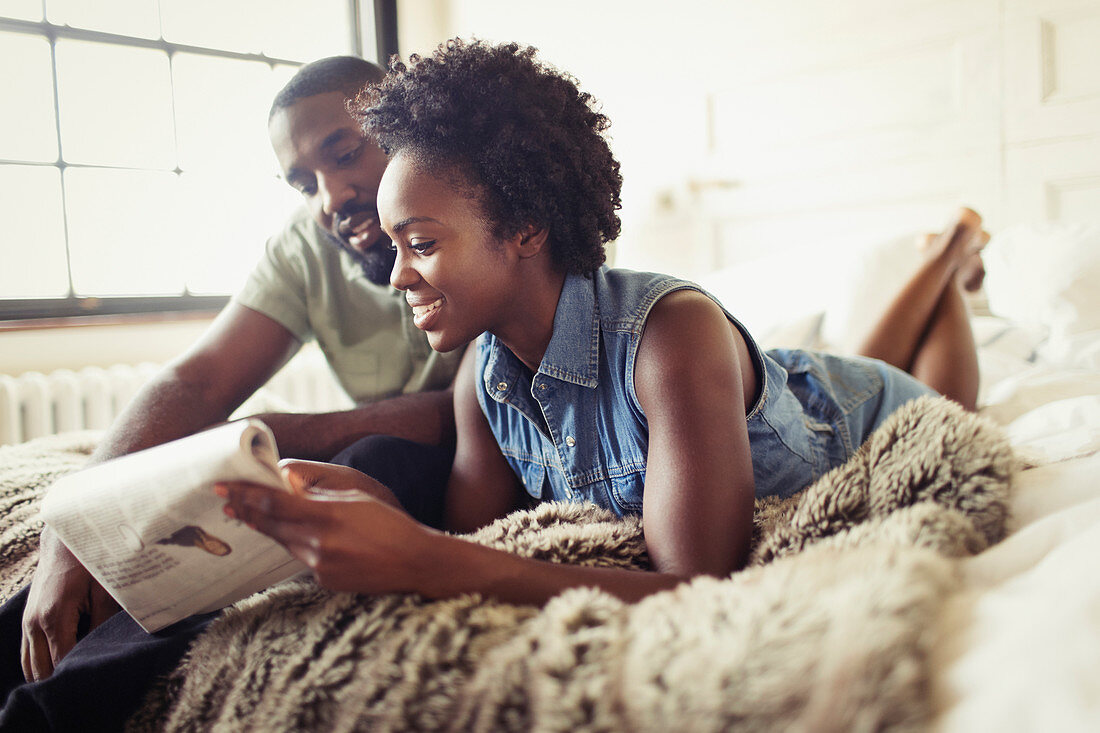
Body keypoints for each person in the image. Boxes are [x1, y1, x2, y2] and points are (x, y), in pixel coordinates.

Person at [216, 39, 986, 608]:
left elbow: (695, 585)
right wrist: (375, 508)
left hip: (866, 411)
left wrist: (425, 560)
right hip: (784, 395)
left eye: (420, 243)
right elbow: (482, 549)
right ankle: (943, 262)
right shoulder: (482, 379)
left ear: (523, 226)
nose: (398, 275)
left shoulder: (672, 333)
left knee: (936, 402)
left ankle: (950, 256)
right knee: (811, 383)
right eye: (393, 248)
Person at [1, 56, 462, 730]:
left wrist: (282, 429)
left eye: (345, 152)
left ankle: (46, 712)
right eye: (305, 182)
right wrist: (71, 531)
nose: (331, 198)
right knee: (196, 479)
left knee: (340, 466)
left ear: (405, 124)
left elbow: (479, 408)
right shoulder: (308, 243)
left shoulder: (476, 210)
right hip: (364, 443)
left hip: (451, 457)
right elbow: (194, 381)